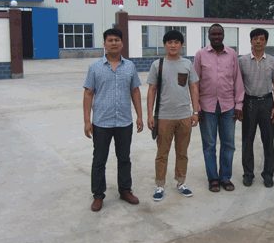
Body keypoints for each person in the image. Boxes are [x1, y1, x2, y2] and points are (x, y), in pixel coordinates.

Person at [83, 28, 143, 212]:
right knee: (99, 159)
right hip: (102, 122)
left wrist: (140, 116)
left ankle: (125, 190)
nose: (114, 43)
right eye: (110, 40)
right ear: (104, 44)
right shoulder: (94, 67)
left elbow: (135, 91)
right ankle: (98, 195)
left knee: (124, 158)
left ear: (122, 43)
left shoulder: (130, 66)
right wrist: (87, 121)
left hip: (124, 121)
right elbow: (88, 93)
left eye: (117, 40)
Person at [147, 30, 200, 201]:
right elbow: (152, 90)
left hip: (184, 116)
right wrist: (150, 115)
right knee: (162, 153)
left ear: (181, 45)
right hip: (164, 116)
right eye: (169, 42)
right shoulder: (157, 65)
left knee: (182, 152)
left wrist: (195, 112)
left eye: (177, 42)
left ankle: (181, 182)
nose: (173, 45)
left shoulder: (187, 64)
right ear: (164, 45)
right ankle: (160, 185)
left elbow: (193, 88)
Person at [194, 24, 244, 192]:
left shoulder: (232, 54)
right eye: (213, 34)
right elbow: (195, 82)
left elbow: (237, 79)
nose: (216, 36)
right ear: (208, 36)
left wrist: (239, 104)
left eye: (219, 34)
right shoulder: (200, 55)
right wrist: (197, 107)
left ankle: (225, 177)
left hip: (228, 106)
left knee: (228, 144)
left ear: (223, 35)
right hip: (206, 107)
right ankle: (213, 178)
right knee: (209, 145)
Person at [239, 28, 274, 188]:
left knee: (268, 140)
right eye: (255, 39)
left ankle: (268, 174)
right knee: (247, 140)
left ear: (266, 42)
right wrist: (239, 106)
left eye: (262, 39)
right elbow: (238, 85)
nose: (258, 42)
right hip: (249, 103)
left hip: (267, 102)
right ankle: (248, 174)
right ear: (251, 41)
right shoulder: (242, 61)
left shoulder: (272, 61)